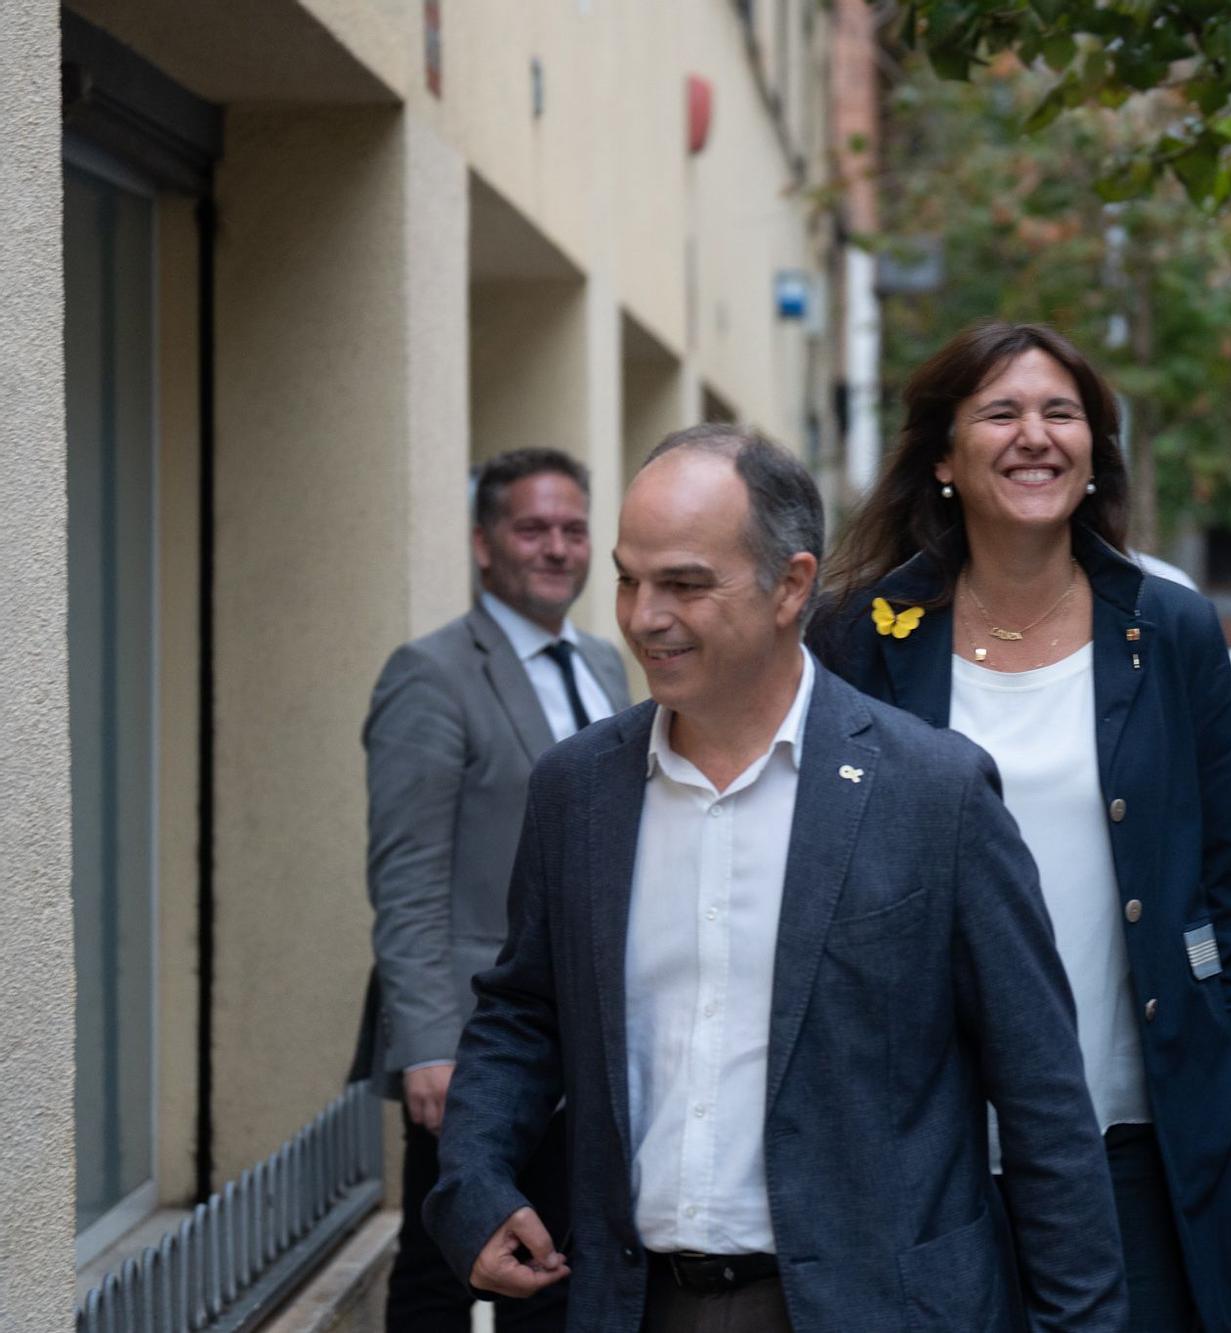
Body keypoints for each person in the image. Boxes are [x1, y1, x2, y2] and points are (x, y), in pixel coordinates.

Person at [424, 425, 1126, 1333]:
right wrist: (472, 1183)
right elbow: (524, 1012)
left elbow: (1041, 1098)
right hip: (633, 1304)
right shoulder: (578, 789)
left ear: (791, 584)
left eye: (684, 583)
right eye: (630, 578)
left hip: (878, 1308)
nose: (642, 616)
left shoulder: (933, 792)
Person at [812, 321, 1231, 1333]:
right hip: (922, 1157)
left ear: (1092, 449)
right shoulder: (856, 639)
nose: (1036, 435)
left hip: (1138, 1143)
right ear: (941, 455)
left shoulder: (1172, 630)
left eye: (1060, 413)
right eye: (1001, 413)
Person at [350, 446, 629, 1332]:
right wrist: (428, 1045)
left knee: (556, 1261)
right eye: (531, 528)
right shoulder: (430, 674)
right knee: (445, 1271)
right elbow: (407, 876)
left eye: (574, 528)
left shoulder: (606, 662)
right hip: (474, 1041)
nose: (556, 547)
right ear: (483, 544)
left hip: (583, 1028)